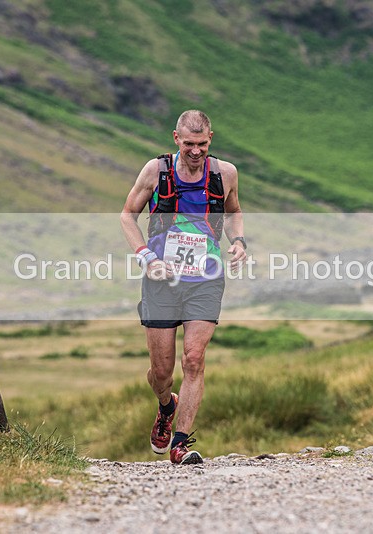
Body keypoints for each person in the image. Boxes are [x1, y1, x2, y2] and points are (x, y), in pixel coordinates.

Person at [120, 110, 246, 465]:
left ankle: (180, 442)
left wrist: (239, 242)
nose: (195, 151)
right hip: (161, 280)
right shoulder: (155, 171)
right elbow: (127, 215)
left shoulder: (225, 173)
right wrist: (145, 255)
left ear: (211, 138)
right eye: (188, 144)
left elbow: (234, 211)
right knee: (161, 373)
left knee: (194, 359)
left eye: (202, 144)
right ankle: (165, 405)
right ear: (176, 138)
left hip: (205, 277)